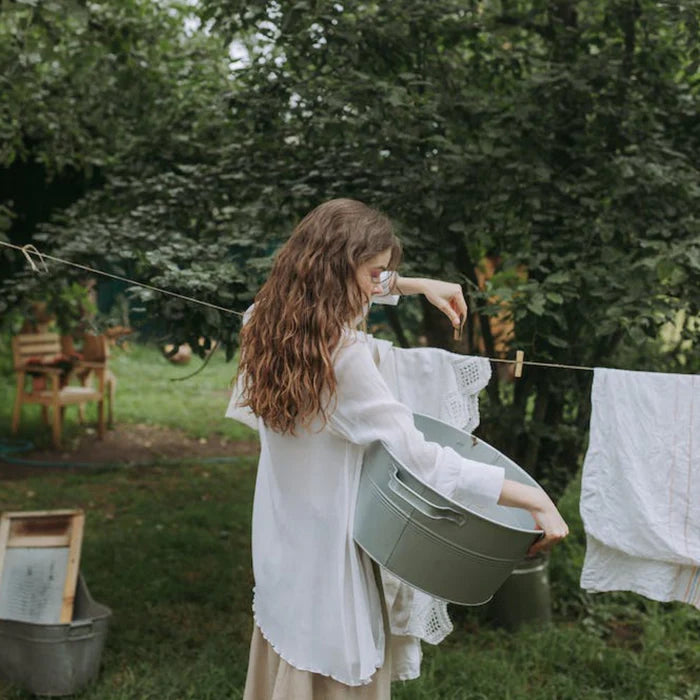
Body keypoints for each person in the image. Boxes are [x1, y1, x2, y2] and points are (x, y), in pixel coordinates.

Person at [226, 198, 568, 699]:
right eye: (376, 274)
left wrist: (414, 285)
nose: (379, 285)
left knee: (287, 653)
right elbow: (421, 461)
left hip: (283, 547)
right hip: (329, 566)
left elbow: (348, 281)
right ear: (336, 270)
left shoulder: (263, 323)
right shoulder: (344, 361)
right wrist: (533, 498)